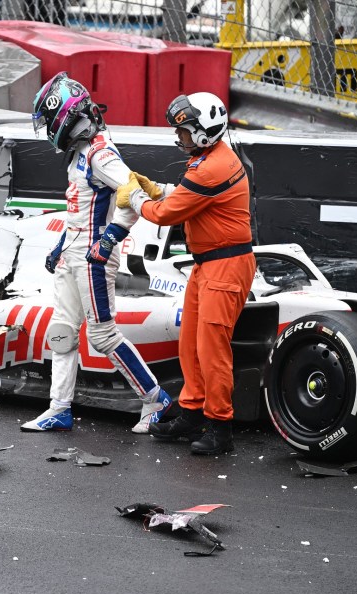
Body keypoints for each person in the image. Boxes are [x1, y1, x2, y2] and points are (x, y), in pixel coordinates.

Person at [20, 72, 172, 433]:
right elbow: (78, 210)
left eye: (49, 122)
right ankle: (59, 408)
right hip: (74, 252)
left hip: (92, 258)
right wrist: (59, 247)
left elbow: (134, 195)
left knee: (102, 335)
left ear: (65, 118)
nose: (47, 131)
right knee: (62, 330)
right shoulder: (83, 152)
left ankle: (156, 399)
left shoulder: (102, 154)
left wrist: (109, 240)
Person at [115, 92, 255, 455]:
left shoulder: (211, 167)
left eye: (186, 132)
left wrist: (134, 197)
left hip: (225, 266)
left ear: (204, 132)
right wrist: (155, 189)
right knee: (191, 343)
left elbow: (165, 215)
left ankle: (220, 427)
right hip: (209, 264)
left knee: (212, 350)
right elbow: (186, 196)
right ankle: (192, 412)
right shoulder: (210, 159)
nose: (180, 139)